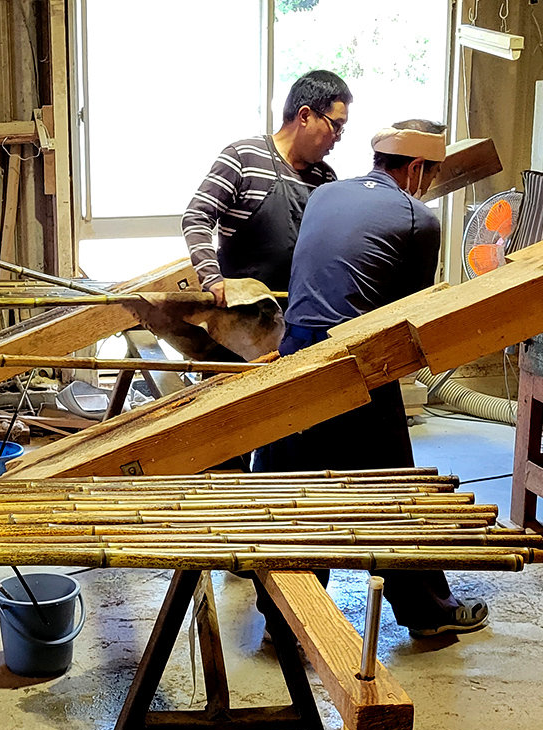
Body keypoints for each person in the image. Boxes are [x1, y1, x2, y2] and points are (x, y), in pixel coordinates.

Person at [253, 119, 489, 638]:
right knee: (394, 490)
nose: (425, 185)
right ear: (417, 169)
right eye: (428, 174)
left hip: (292, 350)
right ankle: (428, 612)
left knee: (292, 487)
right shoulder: (418, 217)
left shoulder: (324, 194)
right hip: (356, 359)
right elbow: (408, 314)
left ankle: (281, 620)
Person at [182, 70, 353, 307]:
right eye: (336, 125)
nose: (338, 137)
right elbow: (196, 217)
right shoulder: (244, 158)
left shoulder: (324, 178)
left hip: (295, 315)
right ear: (305, 115)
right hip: (239, 317)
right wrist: (212, 278)